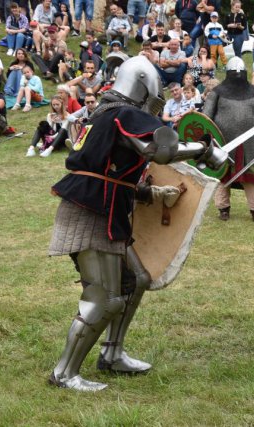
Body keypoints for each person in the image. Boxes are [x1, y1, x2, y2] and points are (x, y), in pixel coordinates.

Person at [47, 56, 221, 392]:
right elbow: (157, 149)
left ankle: (112, 354)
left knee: (136, 279)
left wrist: (152, 193)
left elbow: (116, 172)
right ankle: (64, 374)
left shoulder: (104, 114)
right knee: (105, 298)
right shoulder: (124, 113)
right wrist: (203, 149)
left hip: (101, 208)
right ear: (144, 89)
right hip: (91, 212)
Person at [203, 57, 254, 224]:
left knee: (253, 177)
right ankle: (223, 208)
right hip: (223, 142)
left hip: (249, 143)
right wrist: (206, 139)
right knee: (223, 177)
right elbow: (205, 118)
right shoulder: (217, 92)